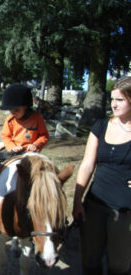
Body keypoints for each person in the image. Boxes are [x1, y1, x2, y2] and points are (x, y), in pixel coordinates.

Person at [72, 76, 131, 275]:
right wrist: (77, 200)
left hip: (124, 210)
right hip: (95, 203)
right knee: (90, 259)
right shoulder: (101, 126)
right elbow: (88, 165)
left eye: (120, 100)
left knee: (119, 265)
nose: (113, 104)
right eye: (112, 99)